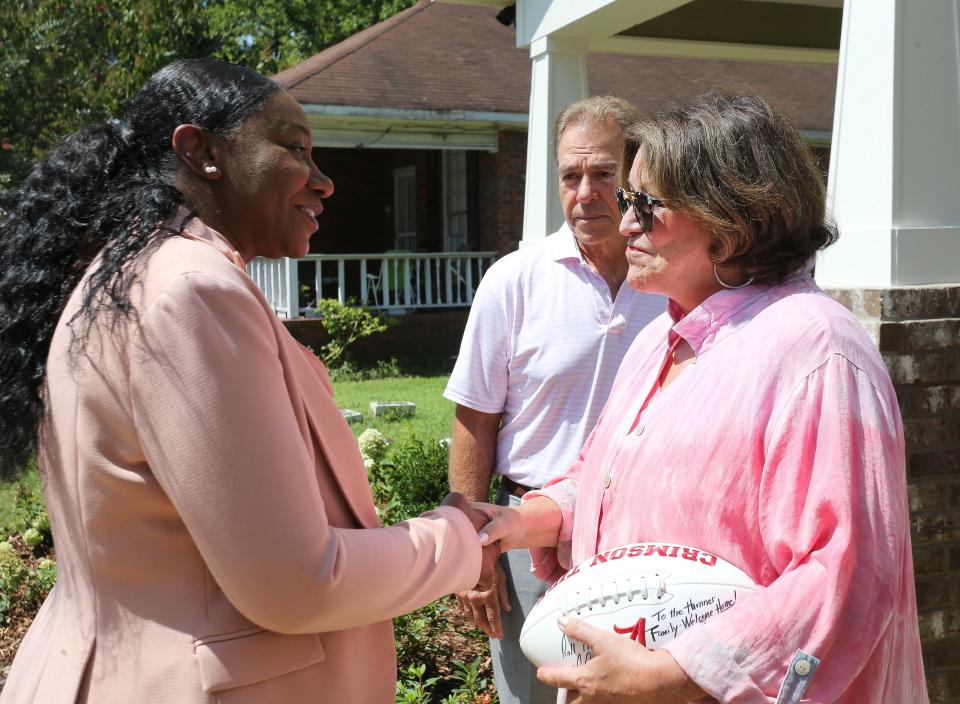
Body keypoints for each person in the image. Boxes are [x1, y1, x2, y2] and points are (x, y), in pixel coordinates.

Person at [0, 58, 496, 704]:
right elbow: (298, 581)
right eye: (295, 149)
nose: (325, 183)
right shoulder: (191, 289)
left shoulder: (124, 280)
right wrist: (459, 536)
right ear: (200, 151)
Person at [475, 91, 927, 703]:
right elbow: (610, 483)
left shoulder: (817, 351)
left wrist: (672, 675)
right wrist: (524, 519)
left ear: (732, 221)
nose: (625, 219)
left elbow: (844, 574)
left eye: (646, 203)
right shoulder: (661, 335)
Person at [445, 96, 665, 704]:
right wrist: (474, 551)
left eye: (603, 175)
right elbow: (474, 420)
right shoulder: (514, 280)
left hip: (640, 544)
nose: (585, 192)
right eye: (571, 176)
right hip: (526, 539)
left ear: (635, 179)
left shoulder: (671, 282)